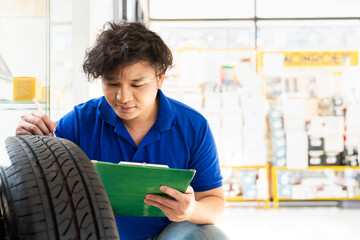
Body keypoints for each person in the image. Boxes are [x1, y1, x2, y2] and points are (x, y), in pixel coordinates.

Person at [16, 21, 229, 240]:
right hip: (98, 233)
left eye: (137, 84)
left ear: (160, 77)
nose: (123, 98)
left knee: (210, 236)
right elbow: (42, 188)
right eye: (112, 83)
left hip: (167, 234)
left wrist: (191, 210)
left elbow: (215, 202)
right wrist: (31, 141)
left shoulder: (192, 126)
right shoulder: (80, 121)